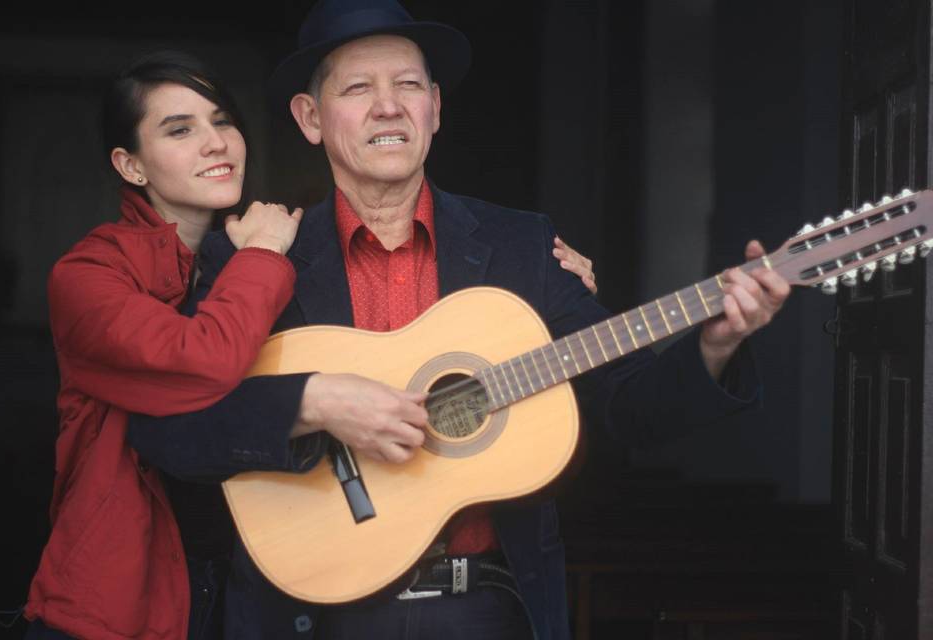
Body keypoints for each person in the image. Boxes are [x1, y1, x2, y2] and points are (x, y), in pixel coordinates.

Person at [127, 1, 790, 638]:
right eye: (358, 87)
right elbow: (173, 430)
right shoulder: (253, 255)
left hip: (486, 609)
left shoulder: (520, 246)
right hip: (310, 616)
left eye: (408, 84)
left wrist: (717, 343)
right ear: (310, 117)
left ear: (435, 107)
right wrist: (311, 402)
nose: (388, 105)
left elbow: (626, 407)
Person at [21, 52, 306, 640]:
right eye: (180, 129)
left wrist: (546, 265)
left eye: (222, 121)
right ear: (131, 165)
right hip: (117, 604)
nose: (216, 143)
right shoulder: (85, 277)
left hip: (249, 592)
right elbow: (203, 361)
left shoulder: (265, 253)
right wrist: (262, 255)